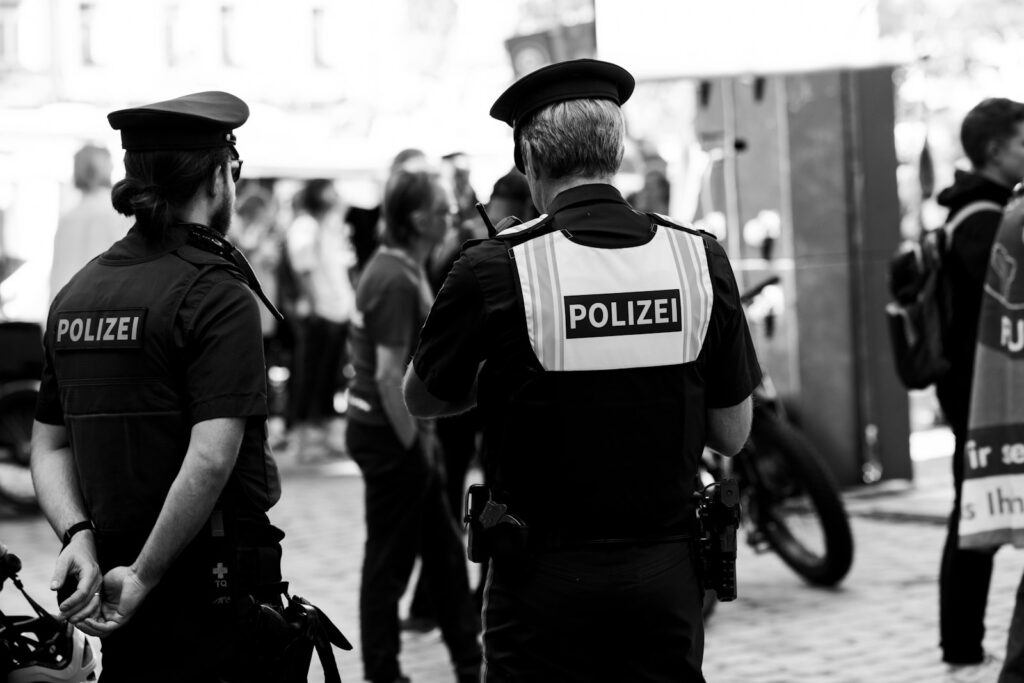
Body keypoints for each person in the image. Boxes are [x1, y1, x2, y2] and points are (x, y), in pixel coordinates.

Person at [403, 58, 761, 682]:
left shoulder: (495, 267)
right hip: (666, 576)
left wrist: (500, 378)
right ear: (617, 152)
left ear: (529, 161)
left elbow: (423, 399)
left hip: (539, 580)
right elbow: (731, 432)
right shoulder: (698, 256)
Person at [30, 92, 289, 682]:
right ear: (220, 174)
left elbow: (48, 446)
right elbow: (211, 456)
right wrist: (145, 574)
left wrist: (77, 536)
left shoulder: (75, 293)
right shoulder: (216, 291)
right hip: (209, 587)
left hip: (110, 579)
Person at [344, 168, 481, 683]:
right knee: (390, 562)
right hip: (391, 439)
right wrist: (415, 451)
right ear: (419, 218)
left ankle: (470, 661)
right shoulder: (396, 277)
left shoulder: (399, 266)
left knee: (442, 554)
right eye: (445, 210)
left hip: (394, 437)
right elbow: (386, 376)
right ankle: (385, 671)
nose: (452, 217)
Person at [934, 97, 1024, 676]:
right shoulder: (986, 219)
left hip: (972, 385)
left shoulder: (972, 210)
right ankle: (962, 643)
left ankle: (962, 642)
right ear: (996, 149)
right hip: (981, 388)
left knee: (975, 500)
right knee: (976, 503)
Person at [284, 178, 356, 461]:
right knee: (310, 375)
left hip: (335, 310)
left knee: (328, 375)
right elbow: (303, 269)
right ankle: (303, 438)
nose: (337, 195)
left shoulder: (328, 226)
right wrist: (313, 306)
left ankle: (322, 435)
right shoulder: (307, 226)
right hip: (320, 312)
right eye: (330, 190)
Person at [49, 144, 132, 302]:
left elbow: (57, 274)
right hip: (105, 307)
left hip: (66, 308)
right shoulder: (118, 213)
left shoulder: (68, 218)